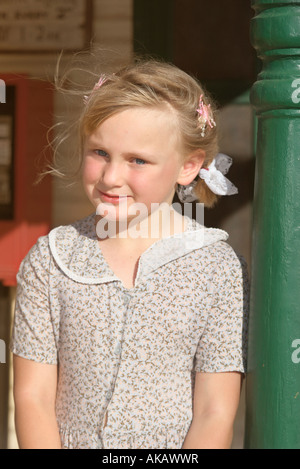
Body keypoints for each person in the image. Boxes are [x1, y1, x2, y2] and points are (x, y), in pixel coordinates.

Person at [10, 59, 249, 450]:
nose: (110, 177)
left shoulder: (217, 268)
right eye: (100, 152)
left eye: (137, 160)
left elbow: (214, 411)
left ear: (188, 166)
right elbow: (32, 397)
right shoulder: (51, 259)